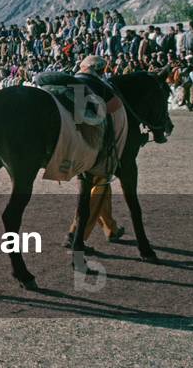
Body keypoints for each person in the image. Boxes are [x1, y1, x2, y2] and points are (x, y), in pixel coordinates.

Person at [66, 55, 125, 246]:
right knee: (98, 186)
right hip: (93, 148)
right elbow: (114, 107)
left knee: (102, 186)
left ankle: (111, 228)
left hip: (73, 143)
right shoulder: (99, 86)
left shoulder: (71, 83)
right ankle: (76, 235)